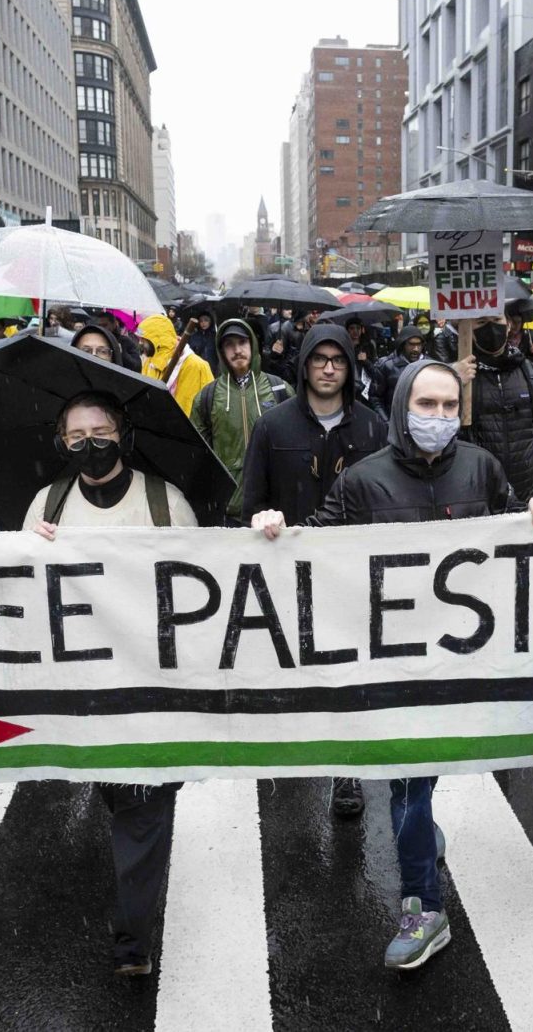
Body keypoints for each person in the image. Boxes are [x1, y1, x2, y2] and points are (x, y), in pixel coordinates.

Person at [251, 359, 533, 970]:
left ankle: (419, 846)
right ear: (400, 408)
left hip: (463, 662)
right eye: (427, 405)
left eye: (450, 406)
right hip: (391, 664)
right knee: (408, 781)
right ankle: (425, 905)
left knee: (414, 784)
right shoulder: (364, 482)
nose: (440, 418)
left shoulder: (482, 466)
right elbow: (313, 548)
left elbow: (516, 529)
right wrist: (274, 531)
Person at [23, 389, 197, 976]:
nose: (89, 444)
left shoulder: (163, 501)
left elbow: (202, 588)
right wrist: (31, 554)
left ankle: (133, 941)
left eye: (100, 431)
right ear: (60, 443)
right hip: (85, 692)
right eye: (76, 436)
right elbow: (19, 593)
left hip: (153, 691)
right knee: (119, 795)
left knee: (143, 806)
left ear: (122, 434)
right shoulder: (47, 505)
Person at [239, 322, 387, 818]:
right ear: (303, 366)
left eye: (338, 360)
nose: (329, 368)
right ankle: (294, 746)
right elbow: (251, 501)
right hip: (286, 571)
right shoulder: (272, 426)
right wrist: (262, 522)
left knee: (349, 674)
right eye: (319, 359)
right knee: (294, 668)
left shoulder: (372, 427)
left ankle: (347, 772)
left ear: (349, 366)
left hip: (351, 573)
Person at [463, 316, 533, 505]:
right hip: (476, 505)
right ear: (469, 329)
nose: (491, 327)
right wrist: (454, 380)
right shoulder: (459, 379)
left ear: (508, 325)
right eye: (482, 322)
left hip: (526, 502)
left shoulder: (531, 375)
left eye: (496, 319)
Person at [192, 319, 294, 524]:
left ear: (252, 345)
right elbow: (196, 455)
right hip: (227, 511)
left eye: (242, 342)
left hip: (273, 512)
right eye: (229, 344)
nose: (237, 350)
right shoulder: (207, 397)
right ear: (221, 351)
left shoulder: (279, 389)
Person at [138, 314, 213, 417]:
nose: (140, 343)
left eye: (143, 339)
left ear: (157, 340)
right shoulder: (149, 362)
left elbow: (210, 407)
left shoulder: (197, 366)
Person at [371, 323, 426, 420]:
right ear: (403, 344)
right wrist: (386, 422)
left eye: (419, 345)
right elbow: (376, 398)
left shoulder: (428, 365)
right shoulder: (386, 366)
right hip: (395, 422)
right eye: (412, 345)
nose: (416, 349)